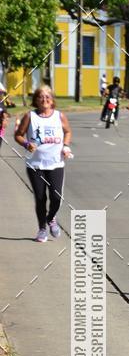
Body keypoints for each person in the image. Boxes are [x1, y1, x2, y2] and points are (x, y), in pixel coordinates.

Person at [14, 85, 72, 243]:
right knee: (40, 198)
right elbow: (18, 135)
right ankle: (41, 229)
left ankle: (51, 218)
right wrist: (26, 144)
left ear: (52, 100)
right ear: (36, 100)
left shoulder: (59, 116)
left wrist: (66, 146)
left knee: (56, 197)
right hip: (35, 165)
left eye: (48, 97)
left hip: (56, 164)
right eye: (41, 97)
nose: (44, 99)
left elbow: (67, 132)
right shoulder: (30, 116)